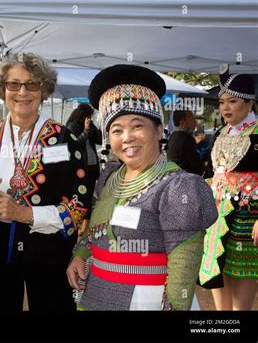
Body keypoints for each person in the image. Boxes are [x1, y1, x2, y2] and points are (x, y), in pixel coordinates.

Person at [66, 64, 218, 310]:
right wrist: (81, 255)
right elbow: (95, 230)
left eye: (137, 126)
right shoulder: (109, 177)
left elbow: (184, 264)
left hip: (147, 300)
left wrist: (175, 306)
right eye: (117, 130)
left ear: (159, 130)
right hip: (97, 294)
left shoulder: (179, 186)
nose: (127, 137)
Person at [0, 53, 90, 313]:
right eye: (14, 84)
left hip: (48, 252)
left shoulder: (66, 140)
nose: (22, 92)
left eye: (32, 84)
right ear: (3, 89)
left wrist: (25, 214)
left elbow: (78, 207)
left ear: (43, 89)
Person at [198, 64, 258, 310]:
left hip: (247, 217)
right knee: (216, 273)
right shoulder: (221, 132)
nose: (224, 107)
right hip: (217, 216)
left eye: (232, 101)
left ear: (249, 104)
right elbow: (212, 172)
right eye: (222, 101)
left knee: (242, 283)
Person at [66, 103, 102, 212]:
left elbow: (99, 140)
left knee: (90, 194)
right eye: (89, 116)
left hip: (92, 165)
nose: (90, 118)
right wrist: (86, 131)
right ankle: (81, 218)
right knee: (82, 195)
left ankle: (87, 219)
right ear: (83, 115)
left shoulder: (90, 125)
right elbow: (75, 145)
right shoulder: (72, 126)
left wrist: (96, 127)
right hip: (81, 166)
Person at [166, 110, 204, 175]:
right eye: (192, 118)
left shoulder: (173, 135)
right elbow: (197, 166)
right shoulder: (186, 138)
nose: (195, 121)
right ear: (182, 122)